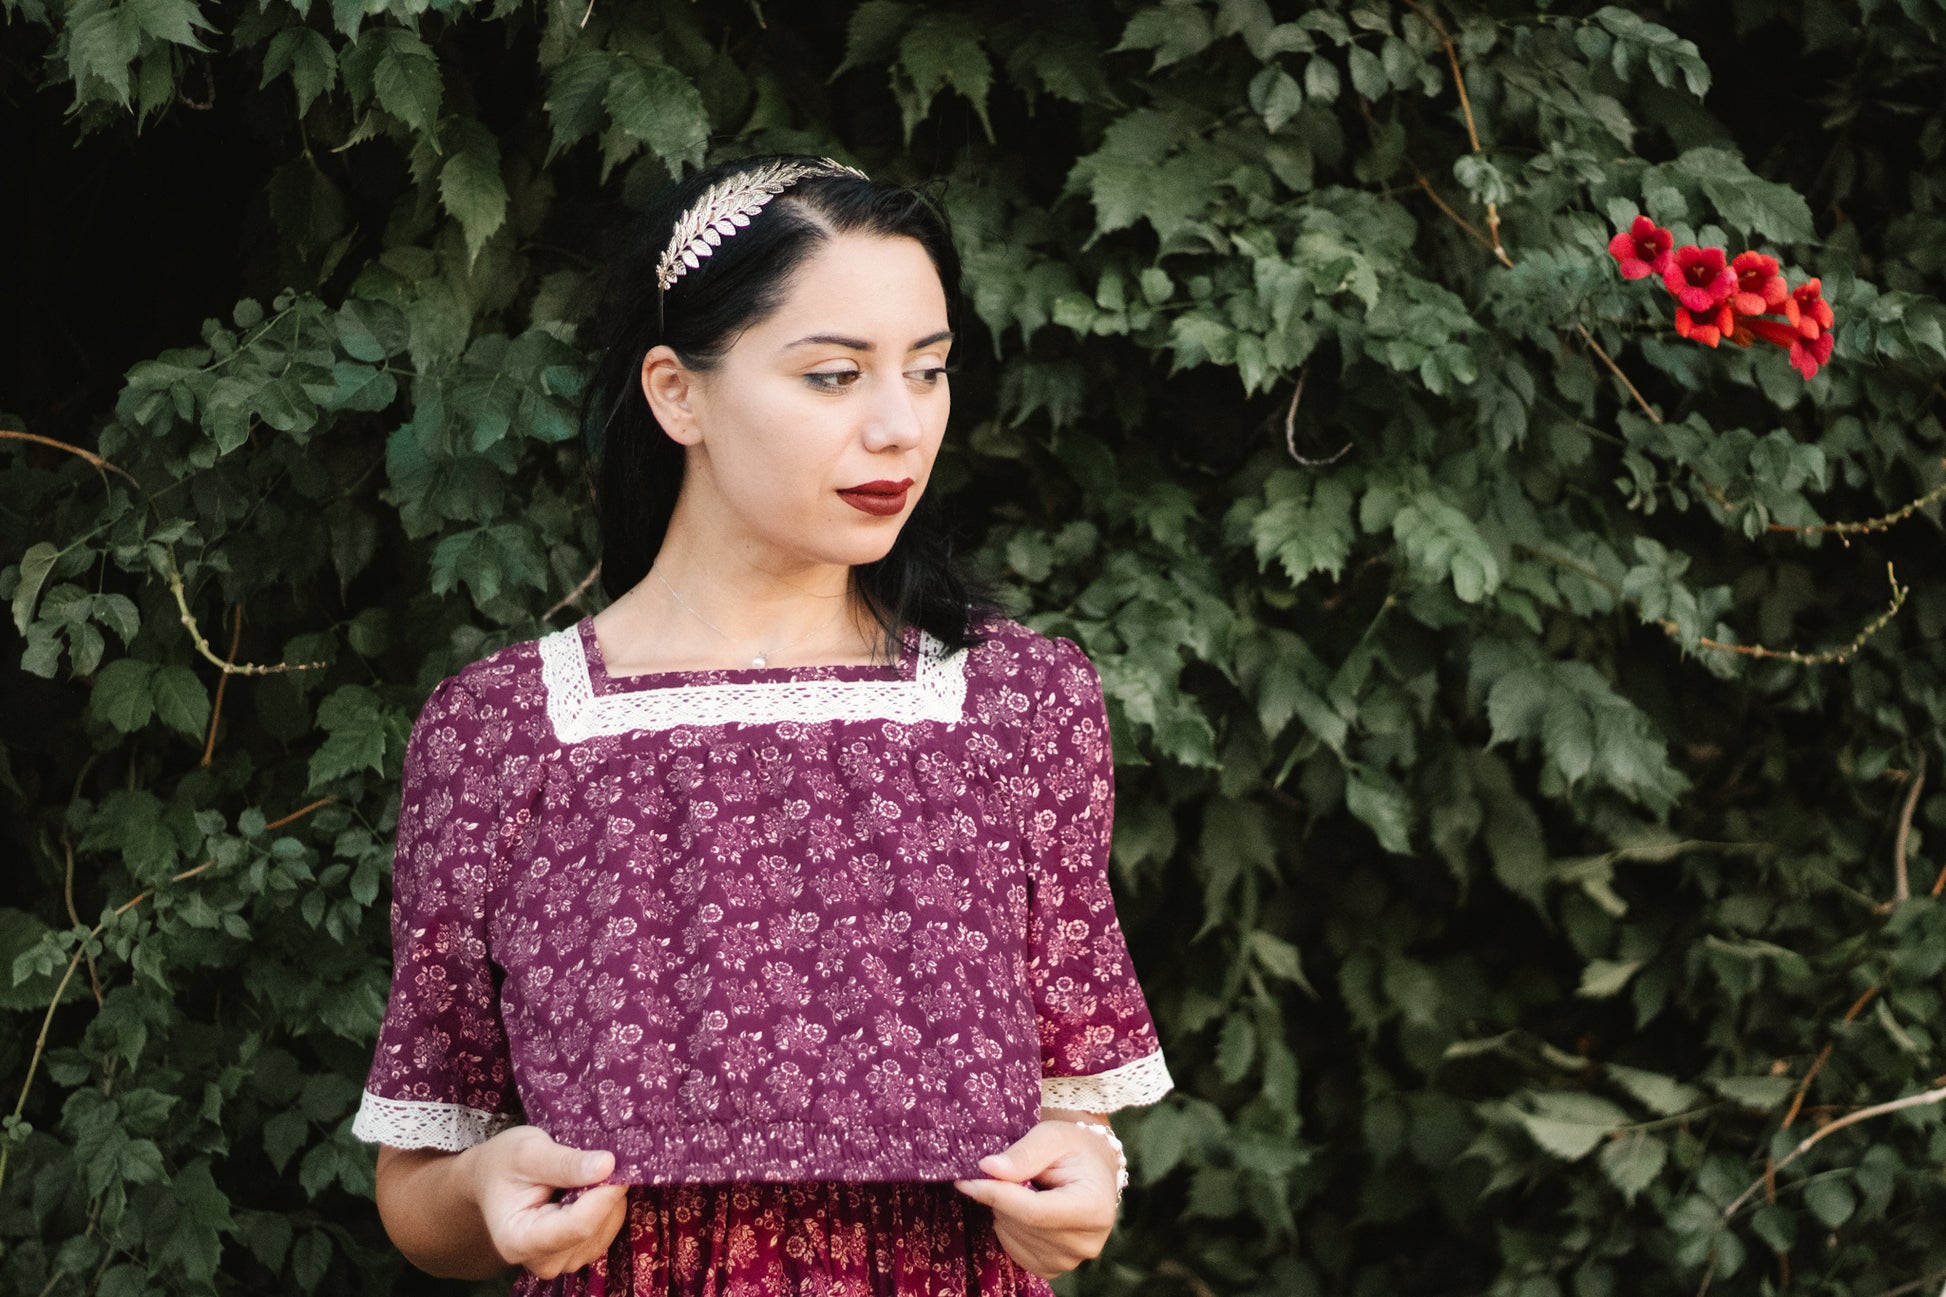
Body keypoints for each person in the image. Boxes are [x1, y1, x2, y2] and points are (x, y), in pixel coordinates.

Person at [351, 154, 1174, 1295]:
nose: (899, 427)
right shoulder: (507, 731)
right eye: (834, 375)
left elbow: (1073, 1120)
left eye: (926, 372)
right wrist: (492, 1192)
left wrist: (1087, 1178)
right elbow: (418, 1189)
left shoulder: (1016, 709)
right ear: (676, 391)